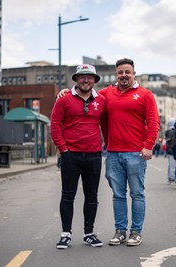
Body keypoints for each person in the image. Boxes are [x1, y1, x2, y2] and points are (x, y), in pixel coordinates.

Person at [58, 58, 160, 246]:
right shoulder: (106, 94)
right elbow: (84, 93)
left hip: (136, 154)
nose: (124, 75)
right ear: (116, 74)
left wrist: (148, 145)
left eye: (127, 72)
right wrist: (65, 91)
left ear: (134, 73)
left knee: (137, 194)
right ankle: (120, 231)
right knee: (118, 195)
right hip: (112, 153)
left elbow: (153, 122)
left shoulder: (145, 95)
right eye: (120, 72)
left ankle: (136, 232)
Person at [50, 64, 106, 249]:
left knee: (92, 196)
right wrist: (63, 150)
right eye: (82, 76)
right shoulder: (64, 99)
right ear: (76, 79)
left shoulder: (102, 100)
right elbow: (55, 124)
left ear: (95, 80)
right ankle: (65, 234)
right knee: (68, 196)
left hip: (94, 156)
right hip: (70, 155)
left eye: (90, 77)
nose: (86, 80)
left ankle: (88, 233)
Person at [165, 118, 176, 185]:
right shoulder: (173, 131)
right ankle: (172, 178)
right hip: (172, 149)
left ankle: (169, 178)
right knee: (173, 165)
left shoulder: (167, 131)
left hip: (168, 149)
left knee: (169, 165)